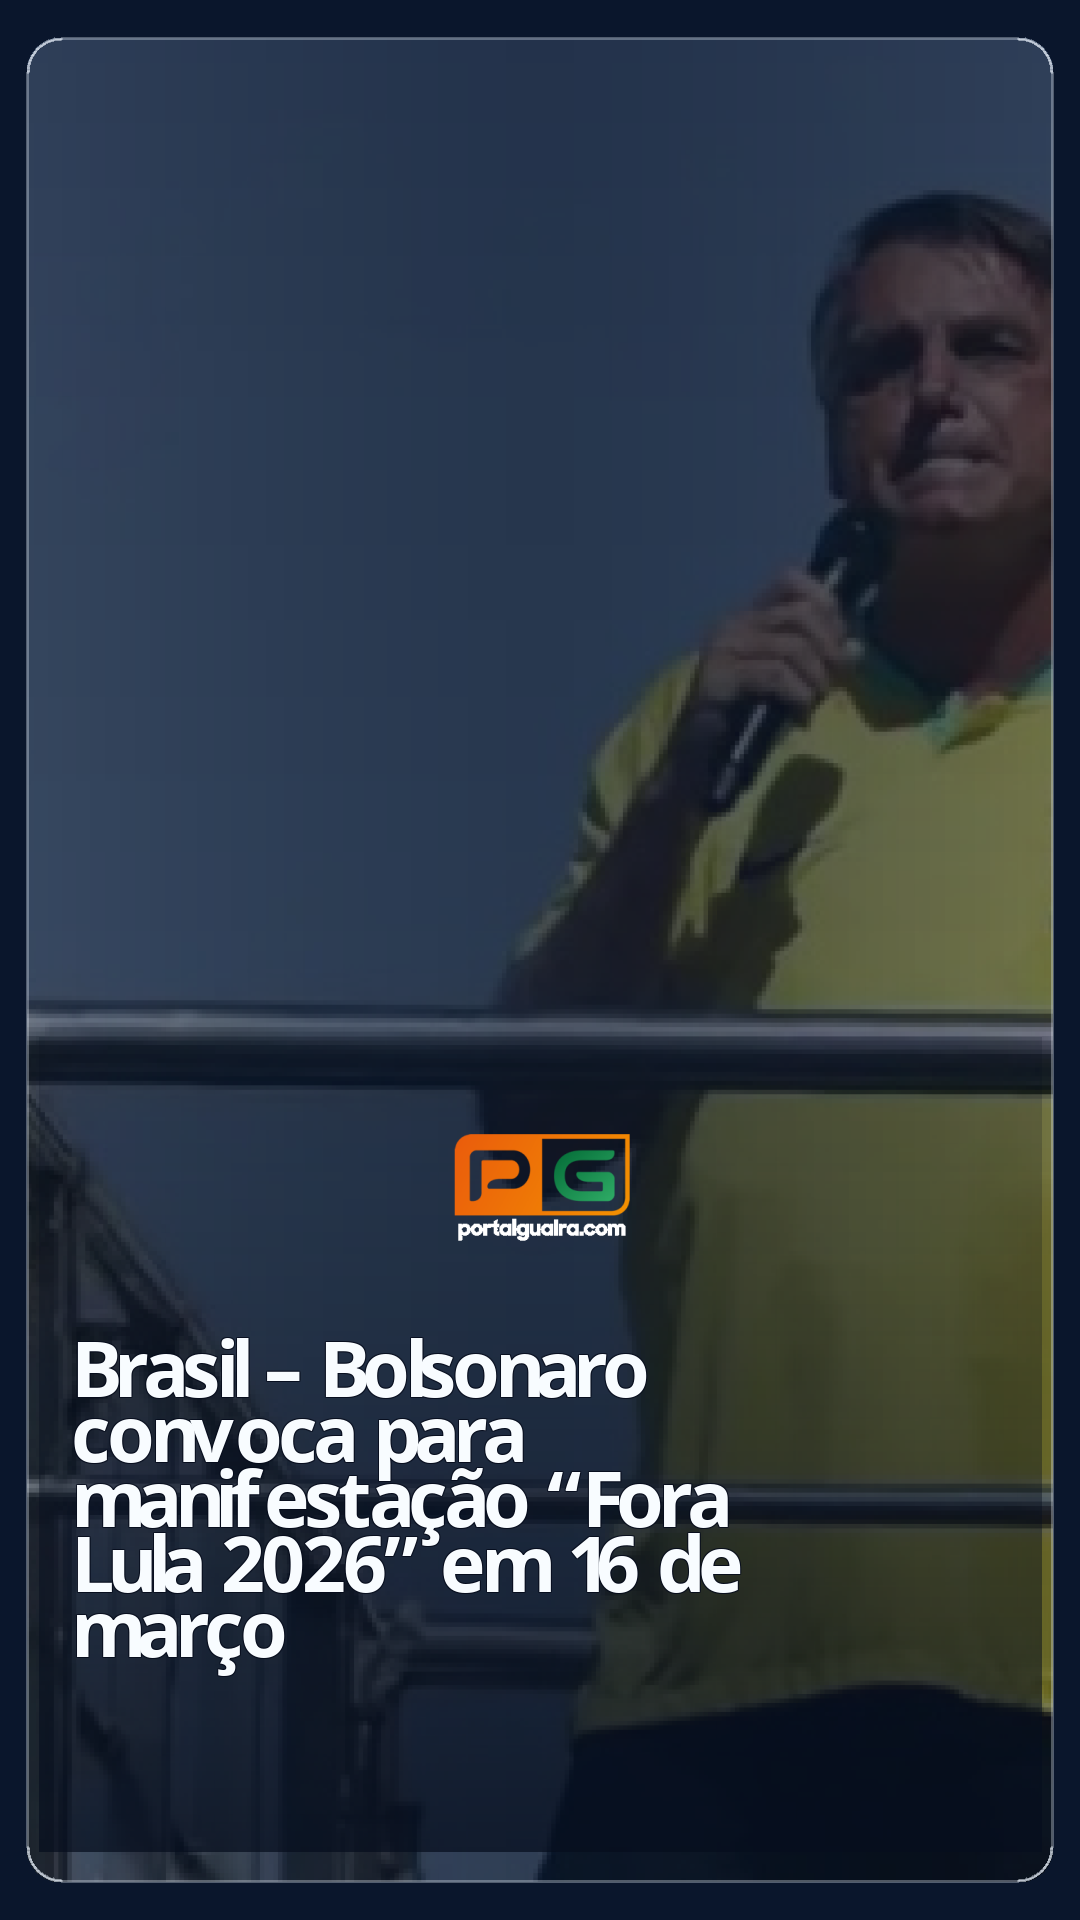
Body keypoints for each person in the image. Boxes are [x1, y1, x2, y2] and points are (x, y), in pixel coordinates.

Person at [488, 193, 1051, 1879]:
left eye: (990, 347)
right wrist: (681, 802)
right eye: (883, 361)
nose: (933, 391)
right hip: (710, 1681)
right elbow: (523, 1167)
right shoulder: (694, 731)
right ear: (832, 431)